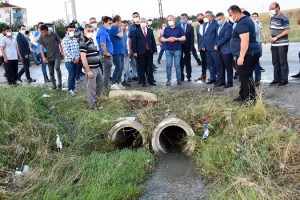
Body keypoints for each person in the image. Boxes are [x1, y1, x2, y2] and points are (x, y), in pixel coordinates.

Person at [228, 5, 261, 102]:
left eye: (230, 15)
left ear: (236, 14)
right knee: (243, 76)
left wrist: (241, 57)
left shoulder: (243, 23)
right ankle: (242, 95)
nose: (230, 17)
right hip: (249, 52)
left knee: (246, 77)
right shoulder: (245, 20)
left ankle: (249, 99)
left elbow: (245, 41)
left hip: (248, 53)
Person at [80, 24, 104, 110]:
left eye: (91, 31)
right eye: (88, 31)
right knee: (91, 87)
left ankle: (96, 100)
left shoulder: (91, 41)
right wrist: (88, 70)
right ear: (84, 31)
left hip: (97, 67)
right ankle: (92, 105)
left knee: (100, 83)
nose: (90, 33)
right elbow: (83, 57)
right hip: (91, 68)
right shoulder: (83, 42)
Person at [269, 2, 290, 86]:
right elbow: (271, 29)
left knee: (282, 62)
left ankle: (284, 80)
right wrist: (270, 36)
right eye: (270, 9)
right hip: (274, 44)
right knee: (275, 62)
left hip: (282, 44)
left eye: (272, 8)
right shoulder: (272, 18)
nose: (271, 10)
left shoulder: (284, 17)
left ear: (277, 8)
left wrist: (277, 37)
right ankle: (276, 79)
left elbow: (287, 30)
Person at [132, 17, 157, 87]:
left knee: (150, 67)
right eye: (141, 22)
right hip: (140, 52)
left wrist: (155, 50)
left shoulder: (150, 31)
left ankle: (151, 80)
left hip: (149, 51)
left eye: (144, 22)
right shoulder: (136, 31)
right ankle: (143, 81)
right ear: (139, 23)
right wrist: (135, 51)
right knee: (141, 67)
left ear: (146, 23)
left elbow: (153, 41)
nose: (143, 23)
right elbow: (134, 42)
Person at [161, 15, 186, 86]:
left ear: (174, 20)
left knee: (177, 65)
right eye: (168, 20)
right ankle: (168, 80)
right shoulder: (166, 29)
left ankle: (179, 80)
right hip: (168, 50)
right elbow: (162, 39)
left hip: (177, 49)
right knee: (168, 65)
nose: (170, 21)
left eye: (171, 20)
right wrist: (168, 39)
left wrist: (176, 39)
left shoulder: (179, 28)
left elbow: (184, 38)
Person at [40, 25, 64, 90]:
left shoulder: (54, 34)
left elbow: (60, 42)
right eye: (42, 32)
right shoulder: (42, 37)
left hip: (57, 54)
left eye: (44, 32)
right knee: (51, 72)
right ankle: (54, 85)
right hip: (49, 56)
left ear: (47, 30)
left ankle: (60, 84)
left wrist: (62, 51)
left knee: (57, 67)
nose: (43, 33)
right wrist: (43, 57)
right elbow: (41, 48)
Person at [243, 9, 262, 87]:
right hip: (250, 46)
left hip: (254, 46)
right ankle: (252, 80)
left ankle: (257, 80)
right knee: (251, 65)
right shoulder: (250, 23)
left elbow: (251, 34)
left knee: (256, 64)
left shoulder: (253, 23)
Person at [215, 12, 233, 88]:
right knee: (220, 66)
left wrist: (217, 45)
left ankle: (229, 82)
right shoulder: (218, 27)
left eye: (219, 19)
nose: (218, 21)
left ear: (224, 18)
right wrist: (215, 44)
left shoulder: (228, 26)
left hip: (227, 49)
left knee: (228, 67)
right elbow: (216, 37)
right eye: (217, 20)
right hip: (219, 50)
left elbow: (226, 37)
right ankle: (221, 81)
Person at [201, 11, 219, 84]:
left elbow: (217, 36)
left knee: (216, 63)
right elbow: (204, 36)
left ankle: (219, 78)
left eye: (206, 16)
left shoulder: (216, 24)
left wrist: (216, 44)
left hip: (213, 47)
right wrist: (203, 45)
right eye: (205, 16)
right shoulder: (205, 24)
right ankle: (212, 78)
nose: (205, 18)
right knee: (210, 64)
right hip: (206, 47)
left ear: (211, 16)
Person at [62, 25, 80, 96]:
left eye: (72, 30)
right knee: (71, 75)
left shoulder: (75, 39)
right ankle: (70, 89)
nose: (71, 32)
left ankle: (73, 88)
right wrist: (73, 58)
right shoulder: (64, 40)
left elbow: (77, 50)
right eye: (70, 30)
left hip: (76, 60)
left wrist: (78, 58)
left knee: (75, 75)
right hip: (69, 61)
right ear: (67, 31)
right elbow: (66, 51)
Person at [97, 16, 114, 90]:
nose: (111, 25)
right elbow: (102, 44)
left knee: (107, 73)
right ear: (104, 23)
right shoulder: (103, 31)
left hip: (106, 55)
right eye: (109, 23)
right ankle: (105, 89)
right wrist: (106, 53)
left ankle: (105, 88)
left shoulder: (104, 31)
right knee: (106, 73)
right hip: (105, 55)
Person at [109, 15, 126, 89]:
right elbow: (121, 36)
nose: (121, 23)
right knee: (118, 67)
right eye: (120, 21)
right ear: (116, 21)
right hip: (116, 52)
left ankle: (119, 82)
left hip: (121, 51)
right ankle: (114, 82)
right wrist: (122, 29)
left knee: (121, 67)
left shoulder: (117, 28)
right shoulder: (113, 29)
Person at [179, 13, 195, 82]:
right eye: (181, 18)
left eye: (184, 18)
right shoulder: (177, 26)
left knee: (188, 62)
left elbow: (192, 39)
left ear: (187, 19)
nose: (182, 19)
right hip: (179, 47)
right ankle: (181, 76)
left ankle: (188, 75)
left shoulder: (190, 27)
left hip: (187, 47)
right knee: (180, 62)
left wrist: (191, 48)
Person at [128, 12, 140, 81]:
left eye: (137, 16)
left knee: (144, 63)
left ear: (139, 16)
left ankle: (144, 76)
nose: (136, 18)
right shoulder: (132, 27)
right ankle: (136, 75)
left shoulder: (143, 24)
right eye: (134, 17)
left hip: (143, 48)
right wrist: (130, 49)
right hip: (134, 48)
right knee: (135, 63)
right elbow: (129, 39)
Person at [195, 13, 207, 81]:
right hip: (201, 47)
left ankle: (213, 75)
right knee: (203, 61)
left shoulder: (207, 25)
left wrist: (204, 45)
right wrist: (199, 46)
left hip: (207, 46)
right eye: (198, 19)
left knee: (211, 61)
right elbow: (199, 37)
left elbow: (207, 37)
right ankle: (203, 74)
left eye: (201, 18)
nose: (200, 19)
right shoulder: (197, 27)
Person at [122, 20, 131, 86]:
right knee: (122, 67)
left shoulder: (126, 33)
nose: (125, 27)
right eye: (124, 26)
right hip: (122, 52)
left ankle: (125, 79)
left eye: (126, 26)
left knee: (126, 67)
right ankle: (122, 80)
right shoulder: (120, 33)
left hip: (127, 52)